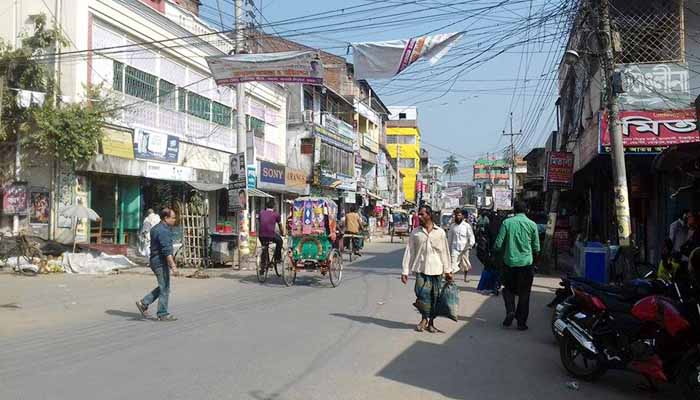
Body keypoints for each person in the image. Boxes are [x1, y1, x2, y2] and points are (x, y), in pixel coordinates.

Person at [401, 205, 457, 333]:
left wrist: (448, 270)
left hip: (437, 270)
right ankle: (424, 319)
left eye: (422, 214)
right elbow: (409, 251)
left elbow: (445, 252)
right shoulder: (415, 232)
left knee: (434, 297)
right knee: (421, 295)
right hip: (421, 269)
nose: (419, 217)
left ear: (429, 215)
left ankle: (430, 322)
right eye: (419, 214)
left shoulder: (440, 232)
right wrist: (405, 271)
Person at [493, 201, 540, 331]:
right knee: (524, 293)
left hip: (509, 263)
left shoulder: (507, 223)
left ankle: (510, 310)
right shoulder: (532, 224)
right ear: (527, 210)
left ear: (514, 210)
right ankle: (521, 323)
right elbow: (536, 248)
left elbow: (498, 244)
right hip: (526, 264)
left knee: (508, 289)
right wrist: (535, 263)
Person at [136, 208, 179, 321]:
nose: (174, 220)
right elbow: (167, 251)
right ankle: (162, 313)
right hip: (160, 262)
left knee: (163, 286)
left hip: (155, 260)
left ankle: (144, 303)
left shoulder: (156, 228)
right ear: (166, 218)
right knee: (165, 288)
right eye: (173, 218)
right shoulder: (163, 231)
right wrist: (173, 266)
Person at [448, 208, 475, 282]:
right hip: (455, 248)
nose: (458, 217)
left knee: (465, 264)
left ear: (462, 216)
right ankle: (451, 279)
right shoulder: (452, 226)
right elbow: (450, 238)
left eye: (459, 215)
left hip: (465, 248)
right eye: (456, 215)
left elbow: (471, 236)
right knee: (453, 263)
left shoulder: (467, 226)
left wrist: (470, 245)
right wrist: (448, 248)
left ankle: (465, 278)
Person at [259, 199, 285, 263]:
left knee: (265, 246)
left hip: (261, 235)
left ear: (266, 206)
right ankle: (277, 258)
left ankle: (265, 262)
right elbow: (280, 225)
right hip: (270, 235)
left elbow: (261, 222)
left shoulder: (261, 213)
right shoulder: (276, 214)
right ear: (274, 207)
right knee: (280, 241)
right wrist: (282, 233)